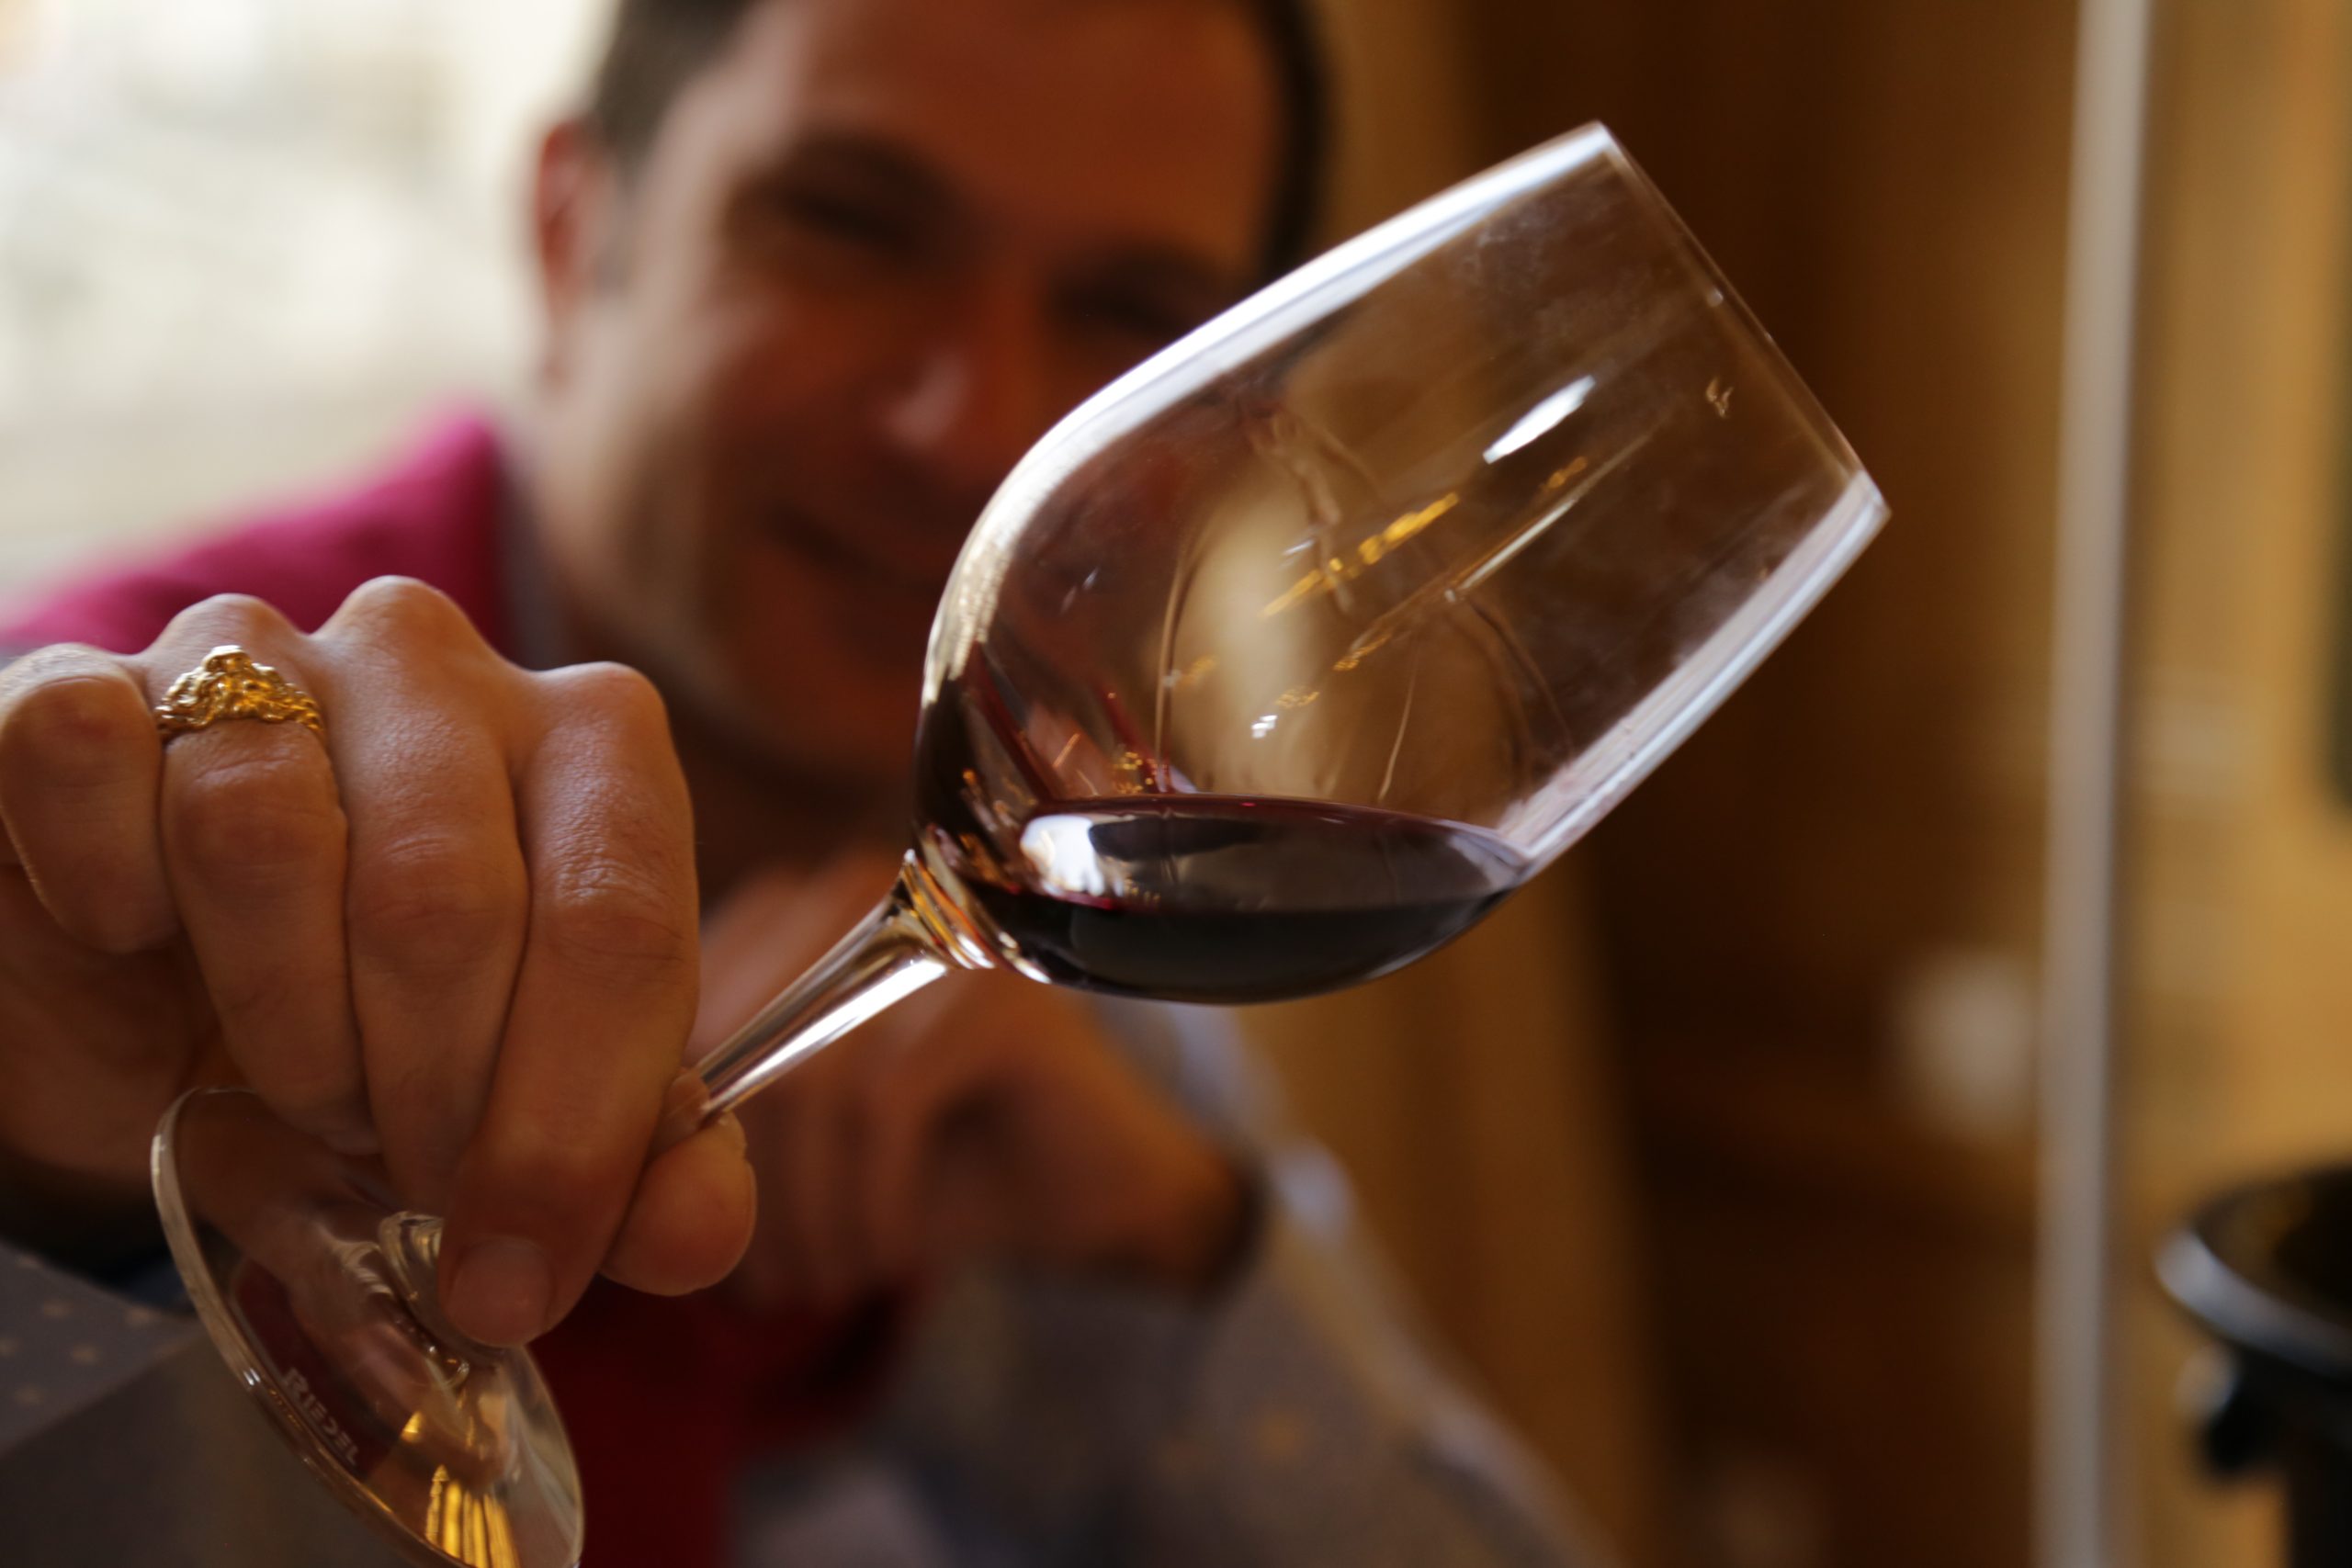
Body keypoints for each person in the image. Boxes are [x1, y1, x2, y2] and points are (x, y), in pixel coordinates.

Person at [0, 0, 1598, 1562]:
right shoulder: (108, 826)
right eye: (850, 225)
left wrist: (1185, 1247)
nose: (963, 421)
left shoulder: (1051, 861)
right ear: (573, 231)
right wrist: (49, 1201)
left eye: (1129, 314)